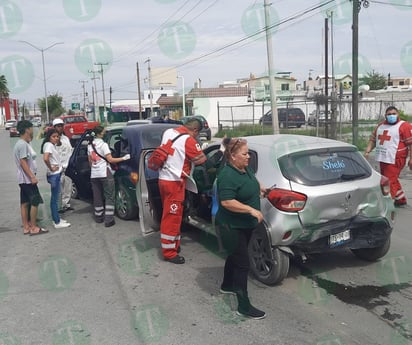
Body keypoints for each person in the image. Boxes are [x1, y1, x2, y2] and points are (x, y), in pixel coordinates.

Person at [216, 137, 267, 320]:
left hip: (244, 225)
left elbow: (253, 179)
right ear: (232, 155)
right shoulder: (227, 175)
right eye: (244, 154)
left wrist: (262, 189)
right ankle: (243, 306)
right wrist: (251, 210)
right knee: (242, 264)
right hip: (231, 226)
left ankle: (227, 285)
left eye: (248, 153)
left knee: (235, 255)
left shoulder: (244, 168)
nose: (248, 157)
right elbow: (227, 201)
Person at [158, 118, 208, 264]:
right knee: (172, 217)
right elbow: (201, 161)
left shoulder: (169, 132)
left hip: (163, 180)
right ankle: (169, 253)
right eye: (198, 134)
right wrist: (221, 152)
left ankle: (174, 244)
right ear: (195, 130)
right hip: (175, 183)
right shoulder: (188, 140)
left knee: (173, 214)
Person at [364, 106, 412, 207]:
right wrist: (368, 151)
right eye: (389, 114)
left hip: (396, 158)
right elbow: (373, 140)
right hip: (383, 158)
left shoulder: (404, 126)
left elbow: (410, 144)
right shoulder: (380, 126)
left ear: (398, 114)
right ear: (385, 115)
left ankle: (387, 203)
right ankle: (400, 199)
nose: (391, 116)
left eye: (394, 114)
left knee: (389, 181)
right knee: (390, 178)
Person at [88, 125, 130, 227]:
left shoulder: (90, 145)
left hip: (94, 174)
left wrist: (95, 168)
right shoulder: (104, 145)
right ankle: (109, 220)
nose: (105, 133)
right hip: (104, 173)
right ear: (100, 134)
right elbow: (111, 160)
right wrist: (124, 158)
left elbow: (90, 161)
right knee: (109, 196)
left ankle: (98, 217)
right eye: (104, 131)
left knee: (97, 196)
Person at [13, 120, 48, 236]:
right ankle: (33, 227)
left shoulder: (21, 143)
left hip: (23, 179)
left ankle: (26, 227)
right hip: (27, 179)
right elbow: (23, 162)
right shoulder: (22, 144)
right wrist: (32, 177)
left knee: (24, 202)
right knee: (35, 201)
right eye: (31, 127)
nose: (33, 129)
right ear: (27, 129)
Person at [42, 129, 71, 229]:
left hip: (55, 173)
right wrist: (51, 167)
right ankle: (57, 222)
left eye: (57, 136)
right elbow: (45, 158)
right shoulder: (49, 145)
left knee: (55, 198)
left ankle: (57, 218)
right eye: (53, 136)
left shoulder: (50, 145)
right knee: (54, 199)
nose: (56, 138)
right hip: (54, 174)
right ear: (49, 137)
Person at [52, 118, 74, 213]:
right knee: (59, 189)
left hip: (67, 166)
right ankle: (59, 206)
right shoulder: (53, 139)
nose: (60, 127)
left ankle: (66, 205)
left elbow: (70, 150)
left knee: (67, 187)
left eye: (61, 125)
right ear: (54, 127)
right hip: (58, 168)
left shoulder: (65, 138)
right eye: (58, 126)